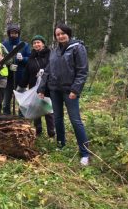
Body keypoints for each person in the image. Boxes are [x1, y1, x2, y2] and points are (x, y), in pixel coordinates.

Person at [37, 23, 89, 166]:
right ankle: (60, 144)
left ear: (68, 33)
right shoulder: (54, 51)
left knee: (75, 120)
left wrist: (75, 90)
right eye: (57, 34)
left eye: (62, 33)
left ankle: (85, 153)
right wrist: (41, 88)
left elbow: (82, 71)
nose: (60, 36)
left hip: (69, 91)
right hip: (55, 90)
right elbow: (47, 71)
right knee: (58, 118)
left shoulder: (78, 48)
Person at [18, 35, 55, 137]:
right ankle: (38, 130)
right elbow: (27, 73)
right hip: (34, 87)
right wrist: (21, 86)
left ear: (43, 43)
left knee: (48, 109)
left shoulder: (50, 54)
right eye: (34, 43)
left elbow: (53, 67)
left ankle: (51, 132)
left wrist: (45, 71)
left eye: (38, 42)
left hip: (48, 87)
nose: (36, 44)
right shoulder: (31, 57)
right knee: (36, 108)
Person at [2, 23, 31, 115]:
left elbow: (30, 60)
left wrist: (23, 59)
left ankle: (21, 119)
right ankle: (6, 117)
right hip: (9, 76)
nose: (13, 35)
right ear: (9, 33)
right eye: (11, 33)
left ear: (18, 34)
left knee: (22, 100)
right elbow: (1, 59)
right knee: (6, 101)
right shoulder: (4, 44)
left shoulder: (24, 45)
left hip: (21, 77)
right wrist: (8, 64)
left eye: (15, 33)